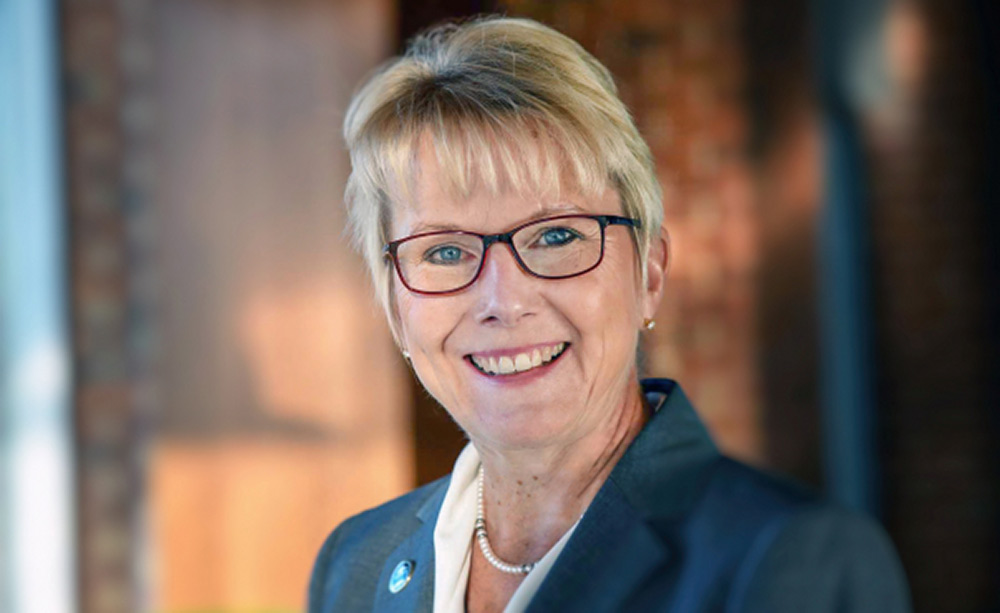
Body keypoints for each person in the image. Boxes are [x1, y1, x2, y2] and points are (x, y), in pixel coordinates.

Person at [308, 15, 910, 613]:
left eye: (556, 237)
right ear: (393, 303)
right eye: (444, 251)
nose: (503, 301)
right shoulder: (354, 565)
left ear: (648, 272)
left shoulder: (791, 559)